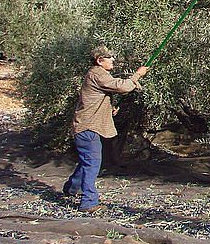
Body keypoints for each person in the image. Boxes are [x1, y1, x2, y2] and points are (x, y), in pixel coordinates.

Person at [63, 46, 148, 212]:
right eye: (110, 58)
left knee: (87, 161)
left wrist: (110, 108)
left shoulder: (96, 74)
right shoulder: (97, 73)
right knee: (92, 163)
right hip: (88, 128)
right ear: (99, 60)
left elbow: (96, 98)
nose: (113, 61)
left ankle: (71, 189)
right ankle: (88, 202)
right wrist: (138, 75)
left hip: (85, 126)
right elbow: (121, 86)